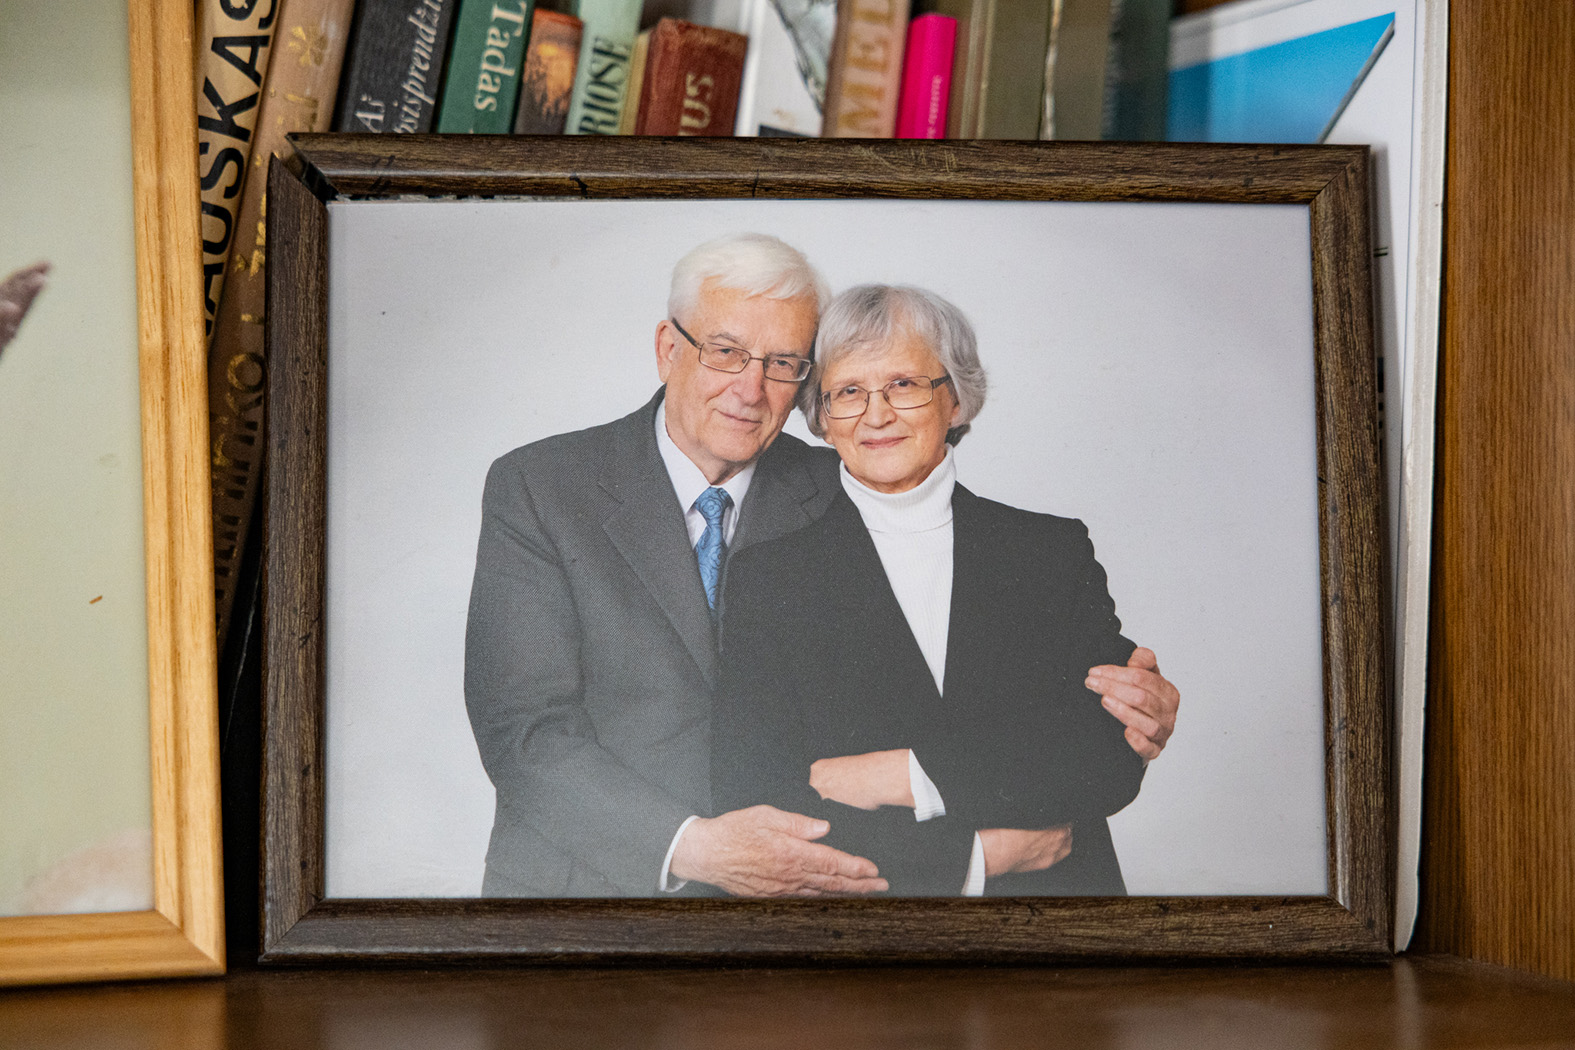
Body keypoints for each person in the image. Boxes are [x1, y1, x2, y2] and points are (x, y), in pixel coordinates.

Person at [464, 236, 1179, 898]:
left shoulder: (846, 482)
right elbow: (524, 731)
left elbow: (1003, 677)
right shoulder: (542, 487)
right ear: (667, 348)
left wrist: (1129, 707)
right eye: (725, 351)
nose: (750, 389)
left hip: (824, 901)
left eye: (782, 364)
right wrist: (695, 848)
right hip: (596, 885)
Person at [712, 284, 1146, 895]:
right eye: (849, 392)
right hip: (871, 933)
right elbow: (762, 800)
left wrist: (906, 775)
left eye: (904, 384)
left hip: (1060, 918)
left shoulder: (1050, 550)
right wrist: (973, 857)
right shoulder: (767, 576)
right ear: (823, 419)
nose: (876, 415)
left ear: (957, 399)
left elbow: (1108, 755)